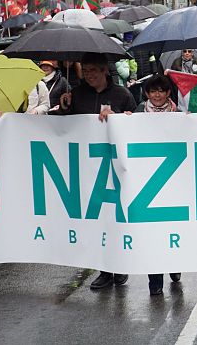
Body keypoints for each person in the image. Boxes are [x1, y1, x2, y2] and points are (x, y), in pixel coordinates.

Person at [56, 53, 137, 289]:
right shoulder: (78, 94)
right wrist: (64, 108)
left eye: (93, 70)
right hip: (87, 166)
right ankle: (104, 268)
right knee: (98, 219)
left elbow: (136, 123)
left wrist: (120, 118)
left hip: (115, 165)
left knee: (116, 216)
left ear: (104, 71)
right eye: (86, 70)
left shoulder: (122, 95)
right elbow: (64, 129)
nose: (89, 75)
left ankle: (120, 266)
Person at [131, 75, 183, 295]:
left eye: (162, 90)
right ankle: (155, 281)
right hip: (147, 183)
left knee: (173, 230)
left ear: (169, 93)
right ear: (147, 94)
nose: (158, 95)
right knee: (152, 233)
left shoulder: (180, 115)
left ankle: (174, 265)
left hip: (175, 181)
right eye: (153, 91)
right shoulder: (136, 115)